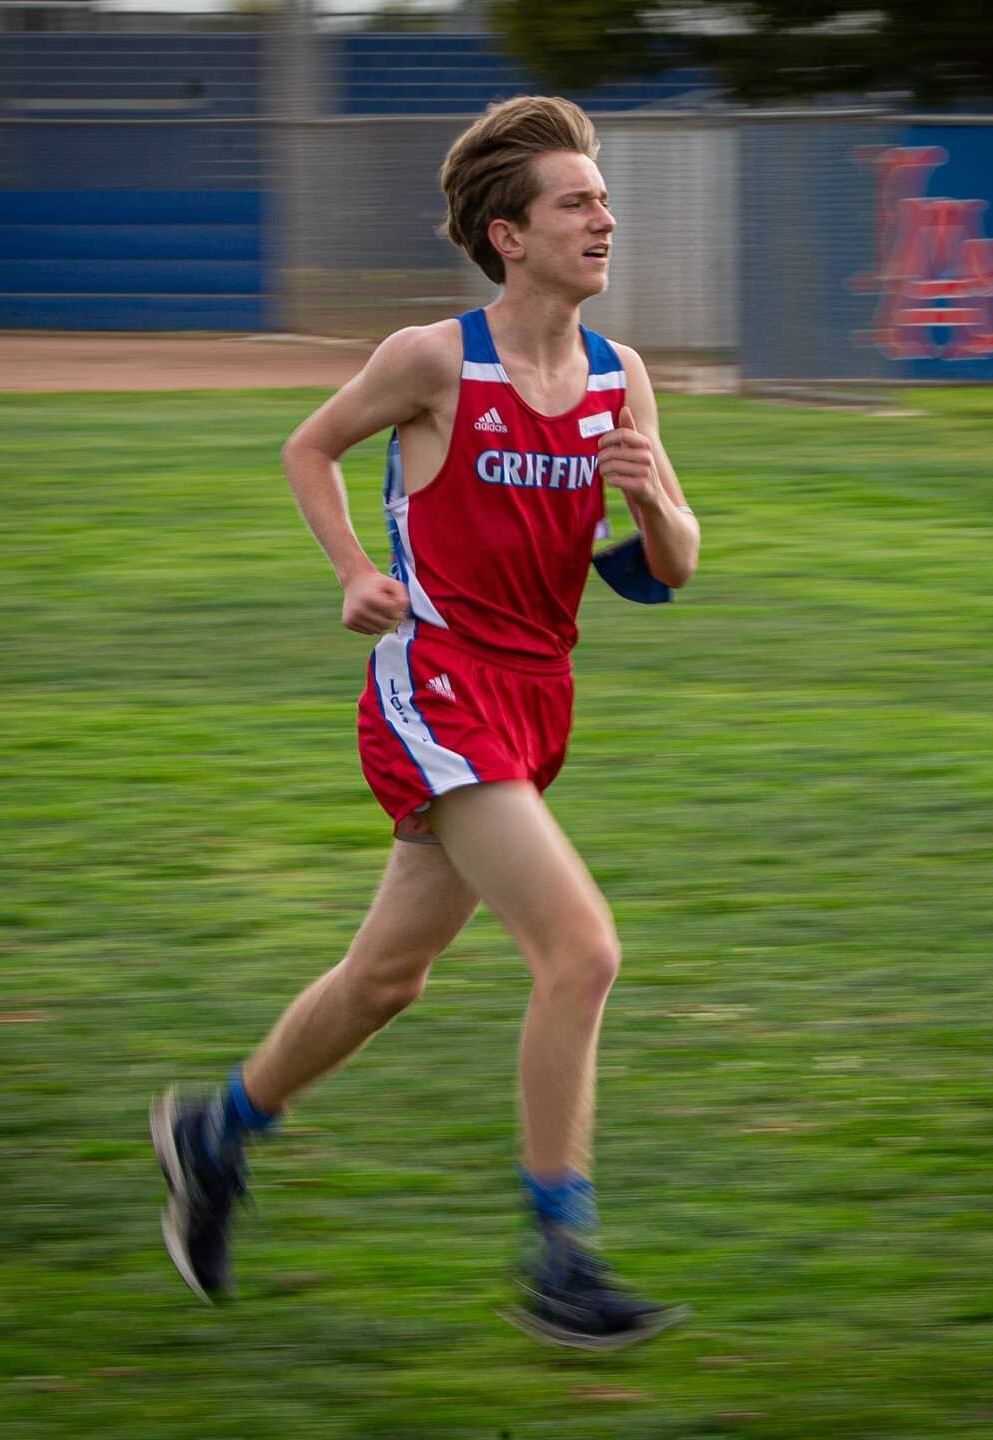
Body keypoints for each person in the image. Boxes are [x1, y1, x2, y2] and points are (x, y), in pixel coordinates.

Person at [151, 95, 700, 1351]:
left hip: (538, 699)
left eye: (603, 200)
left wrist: (656, 495)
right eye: (578, 202)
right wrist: (351, 569)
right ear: (510, 236)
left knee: (388, 978)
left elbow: (671, 567)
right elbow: (309, 448)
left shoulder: (621, 378)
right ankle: (562, 1255)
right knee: (584, 951)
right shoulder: (435, 359)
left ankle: (215, 1133)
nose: (604, 218)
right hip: (436, 688)